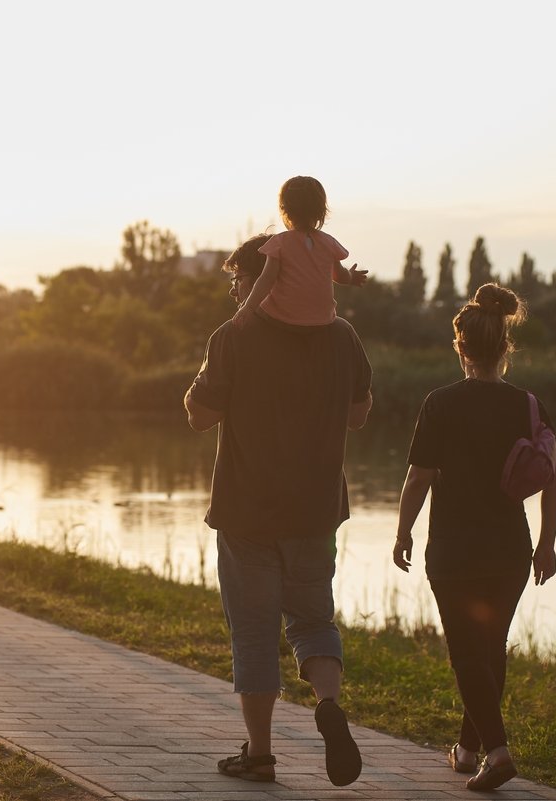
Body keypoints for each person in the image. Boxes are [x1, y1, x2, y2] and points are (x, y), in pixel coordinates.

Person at [184, 233, 373, 787]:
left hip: (247, 511)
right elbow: (359, 416)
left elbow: (199, 415)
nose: (236, 292)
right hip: (315, 510)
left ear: (264, 276)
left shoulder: (234, 335)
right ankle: (329, 704)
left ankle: (261, 755)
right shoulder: (344, 337)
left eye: (239, 280)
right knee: (313, 619)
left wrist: (199, 384)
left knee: (255, 632)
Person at [393, 283, 556, 792]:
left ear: (461, 347)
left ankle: (498, 751)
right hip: (511, 550)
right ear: (504, 347)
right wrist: (547, 544)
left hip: (453, 551)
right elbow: (552, 479)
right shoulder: (527, 404)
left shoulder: (440, 403)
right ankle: (468, 750)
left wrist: (402, 531)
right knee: (488, 650)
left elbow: (419, 477)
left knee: (468, 652)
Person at [235, 176, 368, 328]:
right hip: (322, 320)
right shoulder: (328, 243)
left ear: (284, 210)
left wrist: (248, 308)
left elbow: (266, 279)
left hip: (284, 319)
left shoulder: (279, 243)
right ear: (321, 212)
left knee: (262, 309)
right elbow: (339, 275)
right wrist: (351, 277)